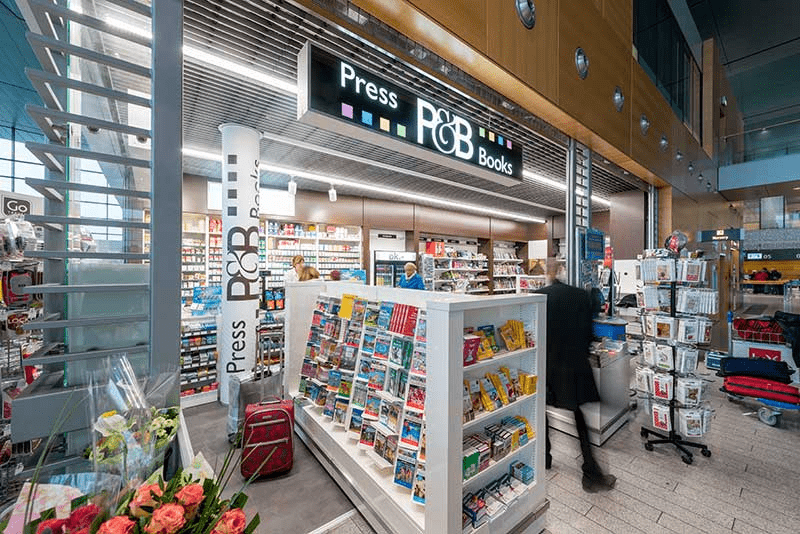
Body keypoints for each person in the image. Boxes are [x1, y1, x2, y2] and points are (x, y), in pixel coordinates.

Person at [536, 260, 616, 493]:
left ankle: (545, 458)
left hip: (547, 366)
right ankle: (590, 471)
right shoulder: (580, 296)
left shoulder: (538, 296)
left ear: (546, 274)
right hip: (574, 365)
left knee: (541, 412)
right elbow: (589, 334)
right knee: (579, 417)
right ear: (562, 271)